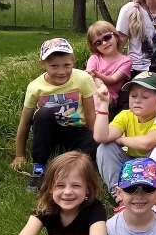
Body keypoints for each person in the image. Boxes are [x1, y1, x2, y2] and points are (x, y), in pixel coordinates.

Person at [12, 38, 97, 192]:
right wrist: (19, 155)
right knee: (43, 113)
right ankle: (39, 169)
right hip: (50, 133)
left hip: (76, 130)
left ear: (73, 61)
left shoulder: (83, 78)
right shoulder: (35, 87)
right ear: (42, 64)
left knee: (97, 145)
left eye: (67, 65)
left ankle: (72, 167)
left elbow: (90, 113)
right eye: (54, 66)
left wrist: (95, 138)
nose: (61, 71)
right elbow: (24, 122)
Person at [93, 70, 156, 196]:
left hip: (152, 165)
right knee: (105, 148)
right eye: (133, 95)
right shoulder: (126, 115)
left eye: (145, 97)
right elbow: (101, 136)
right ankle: (120, 195)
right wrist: (104, 103)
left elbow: (146, 143)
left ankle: (151, 192)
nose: (137, 100)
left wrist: (121, 140)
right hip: (130, 163)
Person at [85, 21, 132, 113]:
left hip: (109, 98)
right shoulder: (94, 58)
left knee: (97, 82)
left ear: (116, 37)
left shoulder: (126, 61)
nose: (104, 43)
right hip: (90, 94)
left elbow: (113, 80)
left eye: (107, 37)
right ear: (95, 47)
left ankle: (95, 114)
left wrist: (97, 75)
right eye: (98, 42)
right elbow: (88, 77)